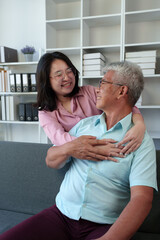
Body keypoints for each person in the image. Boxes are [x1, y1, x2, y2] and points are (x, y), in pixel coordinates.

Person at [1, 61, 157, 240]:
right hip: (61, 215)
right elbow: (51, 159)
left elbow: (142, 199)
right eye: (58, 74)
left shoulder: (140, 141)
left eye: (103, 83)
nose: (98, 89)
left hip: (104, 225)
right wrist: (71, 148)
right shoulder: (83, 125)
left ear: (121, 91)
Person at [36, 52, 145, 158]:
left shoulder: (89, 92)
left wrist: (139, 125)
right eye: (59, 74)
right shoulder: (45, 113)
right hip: (78, 159)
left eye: (69, 71)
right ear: (46, 81)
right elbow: (61, 140)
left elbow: (123, 104)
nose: (67, 78)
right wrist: (95, 148)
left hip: (111, 148)